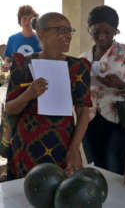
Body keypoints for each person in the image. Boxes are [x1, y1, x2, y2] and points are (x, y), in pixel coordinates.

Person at [5, 12, 91, 180]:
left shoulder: (78, 68)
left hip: (62, 147)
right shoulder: (23, 64)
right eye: (61, 29)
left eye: (69, 30)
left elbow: (83, 113)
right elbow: (9, 108)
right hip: (25, 147)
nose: (68, 35)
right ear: (41, 33)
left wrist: (74, 149)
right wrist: (28, 95)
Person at [81, 5, 125, 175]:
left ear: (115, 31)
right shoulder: (82, 59)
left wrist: (121, 85)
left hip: (119, 121)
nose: (101, 37)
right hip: (89, 120)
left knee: (116, 169)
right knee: (96, 168)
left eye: (107, 32)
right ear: (89, 30)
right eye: (96, 32)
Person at [3, 5, 41, 71]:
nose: (27, 22)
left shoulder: (42, 39)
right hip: (16, 79)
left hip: (37, 78)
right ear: (19, 20)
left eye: (30, 19)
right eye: (24, 18)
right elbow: (8, 59)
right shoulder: (12, 39)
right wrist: (6, 65)